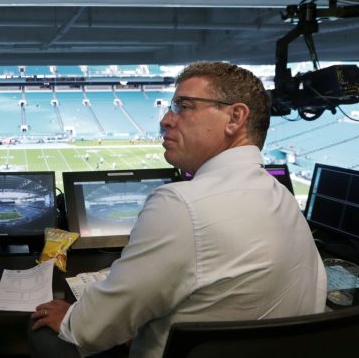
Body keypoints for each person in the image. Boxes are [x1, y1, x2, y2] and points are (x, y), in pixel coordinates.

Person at [29, 61, 326, 358]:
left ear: (235, 118)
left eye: (183, 106)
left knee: (45, 334)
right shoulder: (284, 198)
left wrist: (71, 319)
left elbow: (93, 327)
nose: (166, 120)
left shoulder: (181, 204)